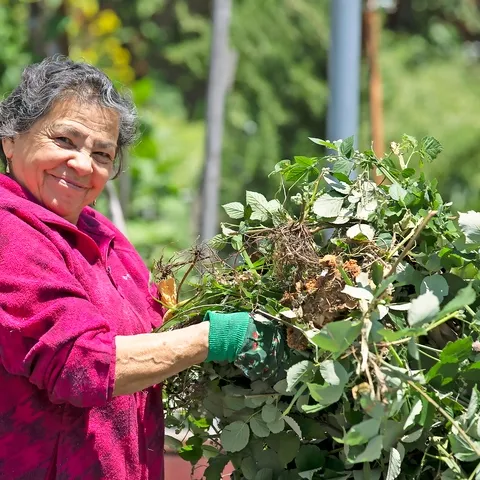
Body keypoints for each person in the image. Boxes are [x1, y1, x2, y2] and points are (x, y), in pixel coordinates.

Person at [0, 56, 285, 480]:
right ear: (11, 139)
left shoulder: (100, 233)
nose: (83, 165)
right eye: (64, 140)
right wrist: (219, 336)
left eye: (102, 154)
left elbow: (155, 337)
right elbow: (83, 365)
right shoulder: (9, 231)